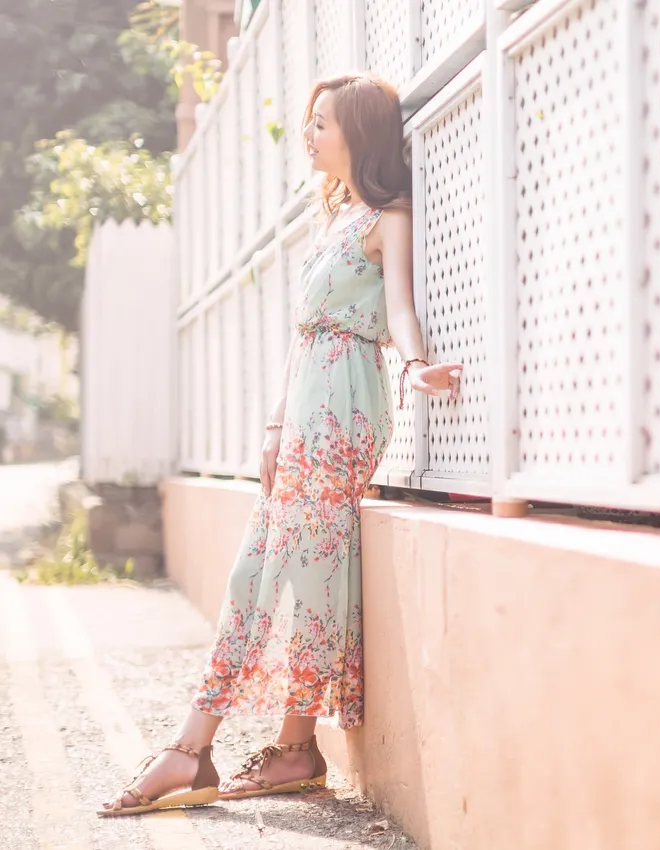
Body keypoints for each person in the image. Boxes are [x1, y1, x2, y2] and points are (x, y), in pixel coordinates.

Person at [100, 74, 462, 815]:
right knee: (302, 570)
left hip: (345, 406)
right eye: (307, 122)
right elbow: (301, 337)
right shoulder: (332, 219)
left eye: (320, 122)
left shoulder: (386, 216)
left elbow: (398, 304)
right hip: (303, 408)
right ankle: (294, 748)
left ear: (358, 133)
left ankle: (191, 746)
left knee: (264, 569)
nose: (308, 134)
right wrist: (272, 422)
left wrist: (418, 364)